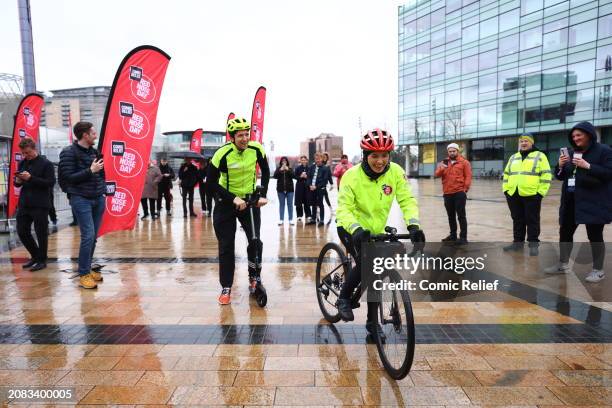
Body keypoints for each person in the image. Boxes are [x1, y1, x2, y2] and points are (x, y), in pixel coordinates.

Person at [335, 129, 424, 338]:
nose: (380, 161)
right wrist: (356, 229)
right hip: (351, 227)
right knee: (367, 265)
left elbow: (407, 199)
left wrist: (413, 226)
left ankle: (371, 323)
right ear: (366, 155)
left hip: (375, 230)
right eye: (375, 155)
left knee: (378, 271)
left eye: (385, 155)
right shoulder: (351, 176)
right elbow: (344, 208)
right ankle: (344, 297)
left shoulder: (395, 171)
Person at [208, 117, 270, 305]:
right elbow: (210, 183)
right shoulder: (222, 154)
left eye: (247, 134)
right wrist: (232, 198)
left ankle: (254, 278)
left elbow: (266, 172)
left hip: (249, 201)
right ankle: (226, 287)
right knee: (227, 246)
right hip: (226, 203)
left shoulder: (256, 149)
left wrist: (261, 194)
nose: (244, 138)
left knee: (255, 241)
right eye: (240, 135)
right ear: (232, 137)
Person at [547, 121, 612, 282]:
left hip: (593, 200)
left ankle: (598, 270)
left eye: (579, 135)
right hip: (571, 200)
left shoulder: (603, 150)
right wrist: (560, 166)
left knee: (595, 235)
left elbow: (608, 173)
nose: (575, 138)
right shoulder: (570, 152)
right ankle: (562, 264)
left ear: (589, 134)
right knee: (565, 233)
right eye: (573, 135)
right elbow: (561, 176)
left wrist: (588, 165)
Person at [58, 121, 105, 289]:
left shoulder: (94, 151)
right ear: (85, 135)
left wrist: (102, 189)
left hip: (98, 198)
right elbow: (68, 177)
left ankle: (87, 268)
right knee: (88, 236)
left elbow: (102, 173)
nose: (95, 135)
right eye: (93, 132)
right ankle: (84, 274)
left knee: (93, 237)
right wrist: (90, 171)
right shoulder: (68, 152)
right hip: (81, 199)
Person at [502, 133, 552, 256]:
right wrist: (506, 190)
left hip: (532, 194)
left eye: (526, 141)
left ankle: (533, 245)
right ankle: (517, 243)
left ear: (532, 142)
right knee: (517, 219)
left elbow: (546, 175)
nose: (523, 143)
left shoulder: (540, 156)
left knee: (532, 220)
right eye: (521, 141)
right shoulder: (513, 157)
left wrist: (540, 193)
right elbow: (506, 174)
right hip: (513, 193)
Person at [14, 138, 55, 271]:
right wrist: (18, 180)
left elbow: (50, 183)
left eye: (28, 152)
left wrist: (30, 178)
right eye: (23, 153)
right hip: (25, 203)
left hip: (40, 203)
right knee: (22, 231)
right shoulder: (22, 163)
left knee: (41, 233)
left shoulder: (46, 164)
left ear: (34, 149)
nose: (26, 155)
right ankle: (36, 256)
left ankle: (42, 260)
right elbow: (17, 184)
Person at [434, 143, 472, 245]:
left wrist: (465, 190)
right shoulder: (444, 162)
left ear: (457, 151)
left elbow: (468, 177)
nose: (452, 153)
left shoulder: (464, 163)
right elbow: (437, 174)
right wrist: (442, 168)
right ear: (448, 152)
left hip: (459, 193)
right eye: (450, 151)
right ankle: (453, 235)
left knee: (461, 216)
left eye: (453, 151)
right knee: (450, 216)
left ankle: (463, 237)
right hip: (447, 193)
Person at [307, 152, 332, 226]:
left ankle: (321, 220)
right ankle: (313, 219)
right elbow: (309, 177)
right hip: (312, 189)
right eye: (316, 159)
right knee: (313, 204)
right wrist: (310, 185)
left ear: (322, 159)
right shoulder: (312, 167)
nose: (317, 160)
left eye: (319, 159)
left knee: (320, 204)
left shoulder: (325, 168)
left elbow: (324, 181)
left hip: (320, 189)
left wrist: (316, 186)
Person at [274, 156, 295, 225]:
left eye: (285, 161)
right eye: (283, 161)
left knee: (290, 205)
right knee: (282, 205)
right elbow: (275, 176)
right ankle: (281, 219)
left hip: (290, 190)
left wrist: (288, 170)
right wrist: (280, 170)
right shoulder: (278, 169)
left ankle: (290, 219)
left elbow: (293, 176)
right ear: (281, 162)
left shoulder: (290, 169)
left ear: (287, 162)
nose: (284, 162)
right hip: (280, 190)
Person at [293, 155, 311, 222]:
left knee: (307, 201)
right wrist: (300, 176)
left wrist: (307, 177)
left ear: (306, 161)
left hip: (306, 186)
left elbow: (311, 177)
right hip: (299, 186)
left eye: (304, 160)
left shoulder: (309, 168)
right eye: (302, 160)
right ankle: (299, 216)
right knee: (299, 201)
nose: (303, 161)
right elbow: (295, 177)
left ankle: (308, 215)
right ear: (300, 161)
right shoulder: (297, 168)